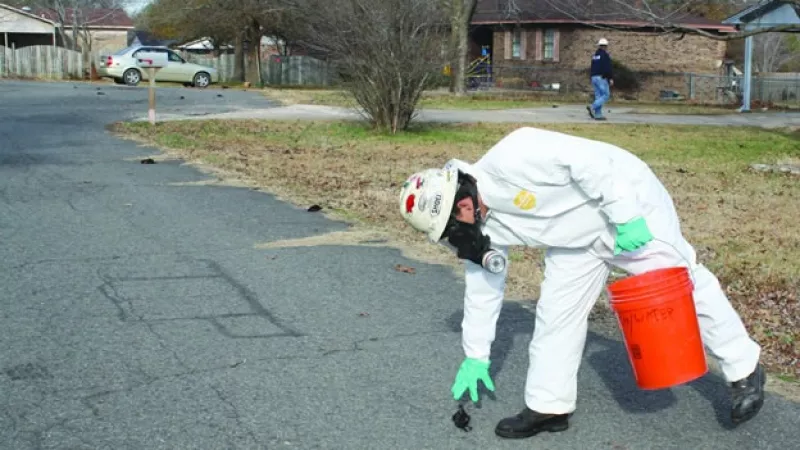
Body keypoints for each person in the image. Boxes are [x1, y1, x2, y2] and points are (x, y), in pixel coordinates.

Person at [397, 126, 765, 439]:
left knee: (681, 281)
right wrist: (476, 355)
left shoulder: (515, 152)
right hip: (575, 239)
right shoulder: (476, 228)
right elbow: (483, 289)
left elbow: (595, 166)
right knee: (556, 313)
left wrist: (625, 217)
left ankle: (744, 367)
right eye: (452, 226)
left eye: (459, 211)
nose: (463, 223)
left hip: (625, 204)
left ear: (463, 184)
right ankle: (549, 405)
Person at [588, 38, 613, 120]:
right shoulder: (605, 55)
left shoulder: (595, 56)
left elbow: (592, 67)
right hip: (601, 78)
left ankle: (598, 115)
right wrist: (610, 78)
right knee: (606, 95)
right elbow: (607, 68)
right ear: (606, 46)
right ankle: (592, 107)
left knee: (598, 96)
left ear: (599, 46)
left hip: (593, 77)